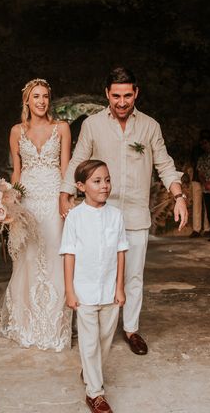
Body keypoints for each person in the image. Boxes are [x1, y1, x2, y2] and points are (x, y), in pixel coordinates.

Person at [60, 66, 186, 356]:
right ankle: (92, 325)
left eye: (127, 95)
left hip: (134, 214)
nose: (121, 102)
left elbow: (164, 164)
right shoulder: (92, 125)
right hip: (98, 215)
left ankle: (131, 328)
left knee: (133, 275)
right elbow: (78, 160)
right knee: (94, 269)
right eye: (116, 95)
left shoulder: (150, 126)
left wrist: (178, 195)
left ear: (136, 93)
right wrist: (64, 194)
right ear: (107, 94)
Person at [0, 78, 72, 350]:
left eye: (45, 97)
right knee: (28, 258)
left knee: (54, 255)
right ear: (26, 101)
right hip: (27, 199)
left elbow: (66, 169)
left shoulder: (61, 128)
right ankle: (26, 324)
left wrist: (67, 200)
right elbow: (16, 171)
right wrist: (11, 204)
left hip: (53, 198)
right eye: (36, 96)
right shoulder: (16, 131)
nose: (41, 101)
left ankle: (55, 326)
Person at [60, 160, 128, 413]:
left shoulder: (116, 215)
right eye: (97, 181)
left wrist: (120, 287)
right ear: (81, 186)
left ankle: (90, 371)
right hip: (85, 290)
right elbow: (69, 254)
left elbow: (121, 252)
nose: (104, 185)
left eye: (107, 179)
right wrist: (69, 290)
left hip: (110, 290)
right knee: (89, 342)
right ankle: (95, 393)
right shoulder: (75, 217)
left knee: (104, 340)